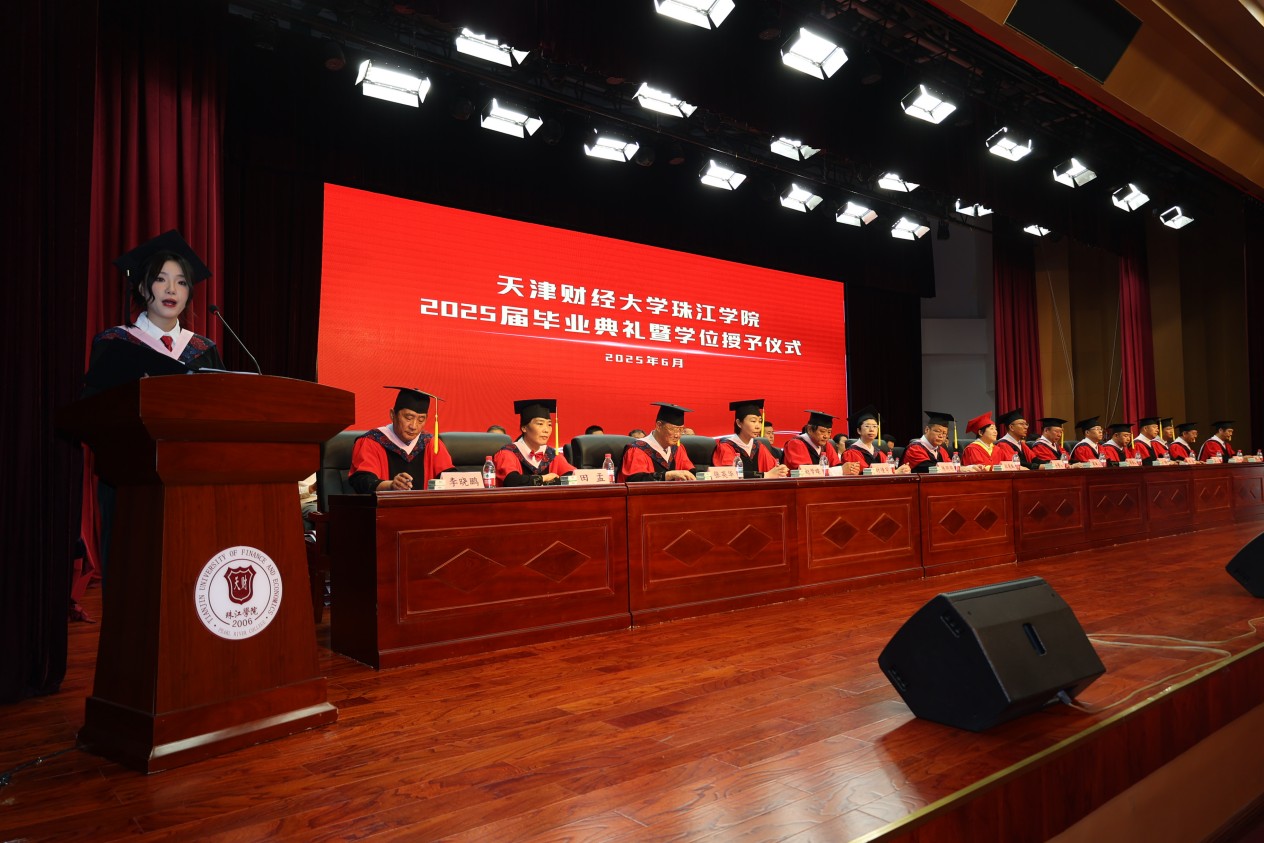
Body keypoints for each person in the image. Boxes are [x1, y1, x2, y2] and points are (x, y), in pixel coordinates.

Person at [82, 230, 225, 586]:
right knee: (132, 573)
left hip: (190, 477)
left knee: (188, 573)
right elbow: (91, 414)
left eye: (181, 282)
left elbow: (223, 414)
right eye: (160, 279)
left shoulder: (203, 350)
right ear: (143, 287)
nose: (171, 289)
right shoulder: (115, 343)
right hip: (129, 478)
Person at [349, 387, 455, 492]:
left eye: (421, 420)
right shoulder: (372, 441)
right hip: (385, 503)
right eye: (408, 418)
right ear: (392, 414)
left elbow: (450, 477)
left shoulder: (431, 443)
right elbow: (362, 481)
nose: (414, 426)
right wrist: (390, 485)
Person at [493, 399, 575, 486]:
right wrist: (543, 478)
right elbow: (512, 480)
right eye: (540, 424)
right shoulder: (508, 453)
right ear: (524, 428)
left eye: (549, 425)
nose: (546, 430)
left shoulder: (551, 455)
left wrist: (545, 483)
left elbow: (575, 477)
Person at [712, 399, 790, 478]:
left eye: (760, 421)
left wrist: (780, 470)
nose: (758, 426)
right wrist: (765, 475)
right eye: (753, 421)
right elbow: (728, 475)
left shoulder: (759, 446)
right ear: (739, 423)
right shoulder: (726, 446)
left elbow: (773, 468)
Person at [618, 403, 696, 481]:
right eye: (673, 430)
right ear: (659, 426)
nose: (678, 435)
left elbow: (690, 471)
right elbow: (636, 480)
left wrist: (702, 475)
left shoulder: (677, 449)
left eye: (681, 430)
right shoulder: (637, 449)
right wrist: (668, 475)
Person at [842, 405, 910, 474]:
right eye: (867, 426)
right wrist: (896, 472)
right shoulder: (851, 452)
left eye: (875, 426)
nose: (872, 429)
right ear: (859, 431)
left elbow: (890, 470)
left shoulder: (879, 453)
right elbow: (866, 474)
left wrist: (903, 470)